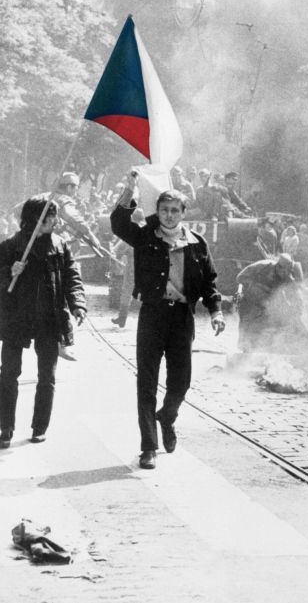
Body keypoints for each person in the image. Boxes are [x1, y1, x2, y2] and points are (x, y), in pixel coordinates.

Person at [111, 178, 225, 470]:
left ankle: (167, 417)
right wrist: (129, 191)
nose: (170, 215)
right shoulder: (146, 236)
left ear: (184, 212)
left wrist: (216, 312)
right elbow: (119, 224)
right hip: (152, 315)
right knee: (146, 382)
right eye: (164, 210)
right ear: (158, 212)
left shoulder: (197, 244)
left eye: (175, 210)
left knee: (181, 381)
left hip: (181, 318)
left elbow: (210, 283)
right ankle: (148, 446)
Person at [0, 194, 86, 449]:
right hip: (15, 318)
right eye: (50, 215)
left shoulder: (61, 246)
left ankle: (39, 427)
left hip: (49, 319)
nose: (55, 220)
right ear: (35, 219)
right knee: (9, 374)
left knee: (47, 377)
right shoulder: (10, 246)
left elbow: (71, 279)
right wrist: (10, 271)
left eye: (54, 215)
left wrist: (77, 305)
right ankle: (6, 429)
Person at [236, 253, 308, 353]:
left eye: (289, 271)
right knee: (248, 323)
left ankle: (264, 348)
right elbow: (240, 277)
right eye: (285, 271)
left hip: (265, 303)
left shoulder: (287, 278)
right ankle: (245, 348)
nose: (287, 274)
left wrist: (296, 311)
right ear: (279, 267)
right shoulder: (262, 266)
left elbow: (295, 295)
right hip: (248, 299)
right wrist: (258, 287)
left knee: (270, 323)